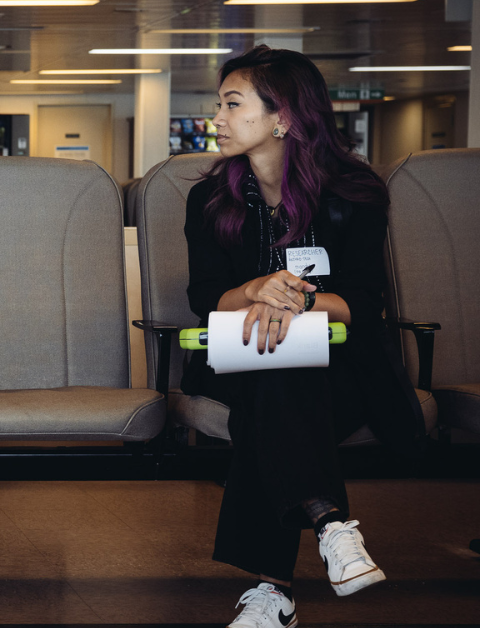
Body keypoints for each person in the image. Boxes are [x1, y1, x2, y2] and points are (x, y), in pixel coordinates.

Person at [182, 46, 424, 628]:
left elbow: (367, 301)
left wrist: (305, 300)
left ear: (283, 117)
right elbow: (206, 296)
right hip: (241, 359)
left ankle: (274, 594)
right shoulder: (210, 201)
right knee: (275, 374)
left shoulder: (351, 194)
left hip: (345, 370)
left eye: (233, 104)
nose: (217, 117)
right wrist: (260, 288)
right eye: (219, 104)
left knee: (277, 392)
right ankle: (332, 525)